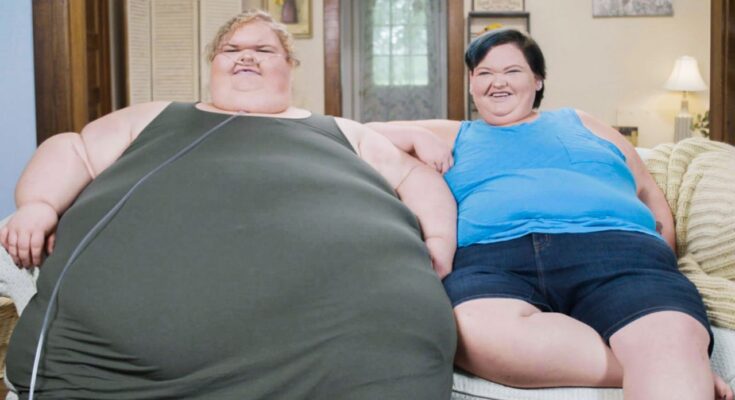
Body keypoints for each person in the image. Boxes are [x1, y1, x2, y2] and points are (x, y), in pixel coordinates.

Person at [0, 10, 457, 399]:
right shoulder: (155, 115)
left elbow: (415, 177)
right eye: (231, 48)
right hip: (128, 333)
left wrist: (438, 239)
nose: (246, 56)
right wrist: (38, 204)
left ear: (290, 66)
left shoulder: (343, 130)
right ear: (213, 64)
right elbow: (74, 149)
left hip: (340, 326)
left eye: (263, 50)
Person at [368, 29, 733, 400]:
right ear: (472, 84)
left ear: (538, 80)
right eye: (484, 73)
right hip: (493, 260)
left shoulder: (581, 122)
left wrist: (662, 259)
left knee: (667, 334)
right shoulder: (451, 133)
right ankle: (666, 364)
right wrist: (414, 135)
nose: (497, 82)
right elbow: (349, 134)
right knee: (473, 331)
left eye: (512, 71)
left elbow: (650, 193)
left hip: (615, 251)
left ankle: (667, 357)